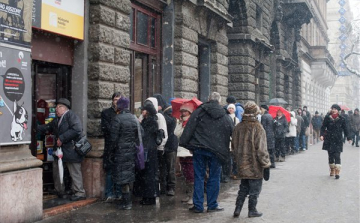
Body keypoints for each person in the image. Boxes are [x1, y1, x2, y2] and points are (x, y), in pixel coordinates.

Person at [180, 92, 234, 213]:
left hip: (199, 148)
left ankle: (198, 205)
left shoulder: (199, 111)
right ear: (219, 101)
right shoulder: (224, 115)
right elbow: (232, 131)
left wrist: (185, 143)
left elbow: (189, 128)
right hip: (217, 151)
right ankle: (212, 204)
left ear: (208, 99)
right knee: (214, 177)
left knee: (199, 176)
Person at [37, 98, 86, 201]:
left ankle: (79, 192)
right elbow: (48, 127)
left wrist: (62, 138)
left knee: (74, 171)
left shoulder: (71, 116)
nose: (56, 109)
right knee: (57, 169)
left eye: (59, 107)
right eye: (56, 107)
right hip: (61, 150)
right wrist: (35, 127)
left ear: (65, 108)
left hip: (71, 150)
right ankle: (60, 190)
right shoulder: (58, 119)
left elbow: (77, 129)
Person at [232, 101, 271, 218]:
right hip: (255, 165)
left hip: (242, 164)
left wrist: (237, 160)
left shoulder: (238, 127)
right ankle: (252, 210)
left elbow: (233, 145)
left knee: (243, 188)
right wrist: (266, 165)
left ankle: (237, 209)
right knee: (255, 189)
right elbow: (262, 149)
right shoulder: (258, 127)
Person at [108, 97, 139, 210]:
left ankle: (127, 202)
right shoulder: (133, 118)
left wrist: (111, 152)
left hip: (120, 152)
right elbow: (140, 134)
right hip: (131, 152)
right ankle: (127, 201)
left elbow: (113, 138)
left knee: (122, 176)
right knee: (128, 175)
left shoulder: (117, 119)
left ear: (120, 106)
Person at [133, 100, 159, 205]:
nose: (142, 111)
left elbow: (145, 135)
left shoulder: (150, 121)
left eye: (143, 110)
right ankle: (149, 196)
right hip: (150, 150)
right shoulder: (149, 120)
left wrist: (140, 126)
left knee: (148, 175)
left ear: (147, 111)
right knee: (149, 174)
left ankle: (149, 197)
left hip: (148, 150)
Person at [153, 94, 178, 196]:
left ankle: (171, 187)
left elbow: (171, 123)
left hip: (170, 144)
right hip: (162, 145)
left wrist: (160, 116)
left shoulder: (168, 111)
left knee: (170, 168)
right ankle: (163, 187)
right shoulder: (163, 112)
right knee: (163, 168)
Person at [320, 104, 352, 179]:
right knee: (330, 156)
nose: (334, 110)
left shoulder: (342, 118)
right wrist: (322, 135)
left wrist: (349, 137)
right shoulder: (327, 118)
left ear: (338, 110)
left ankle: (337, 171)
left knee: (337, 155)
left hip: (338, 139)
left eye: (335, 109)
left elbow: (345, 128)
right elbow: (323, 127)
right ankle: (332, 169)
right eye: (333, 108)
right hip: (329, 139)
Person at [101, 92, 122, 202]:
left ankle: (119, 193)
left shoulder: (123, 113)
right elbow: (105, 128)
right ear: (112, 100)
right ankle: (109, 194)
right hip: (110, 146)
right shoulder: (106, 113)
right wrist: (117, 131)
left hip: (120, 147)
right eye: (115, 99)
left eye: (119, 99)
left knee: (119, 170)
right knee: (109, 171)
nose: (117, 102)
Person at [174, 103, 195, 204]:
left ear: (189, 112)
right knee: (186, 173)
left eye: (185, 111)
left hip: (189, 151)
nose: (182, 113)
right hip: (181, 151)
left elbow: (189, 135)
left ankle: (192, 196)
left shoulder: (192, 121)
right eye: (182, 111)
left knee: (191, 173)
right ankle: (188, 194)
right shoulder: (180, 122)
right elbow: (176, 134)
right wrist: (180, 124)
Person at [222, 104, 240, 182]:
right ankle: (227, 174)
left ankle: (231, 173)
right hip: (226, 141)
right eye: (229, 108)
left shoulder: (236, 119)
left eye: (232, 108)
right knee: (227, 159)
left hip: (232, 140)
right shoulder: (224, 117)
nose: (231, 109)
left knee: (232, 158)